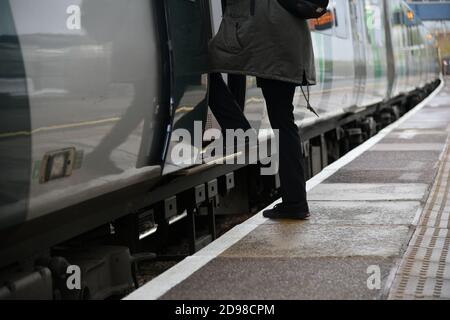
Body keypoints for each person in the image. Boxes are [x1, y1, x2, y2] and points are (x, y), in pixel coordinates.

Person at [208, 0, 316, 220]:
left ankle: (295, 202)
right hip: (288, 44)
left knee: (283, 123)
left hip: (272, 46)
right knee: (284, 122)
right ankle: (295, 201)